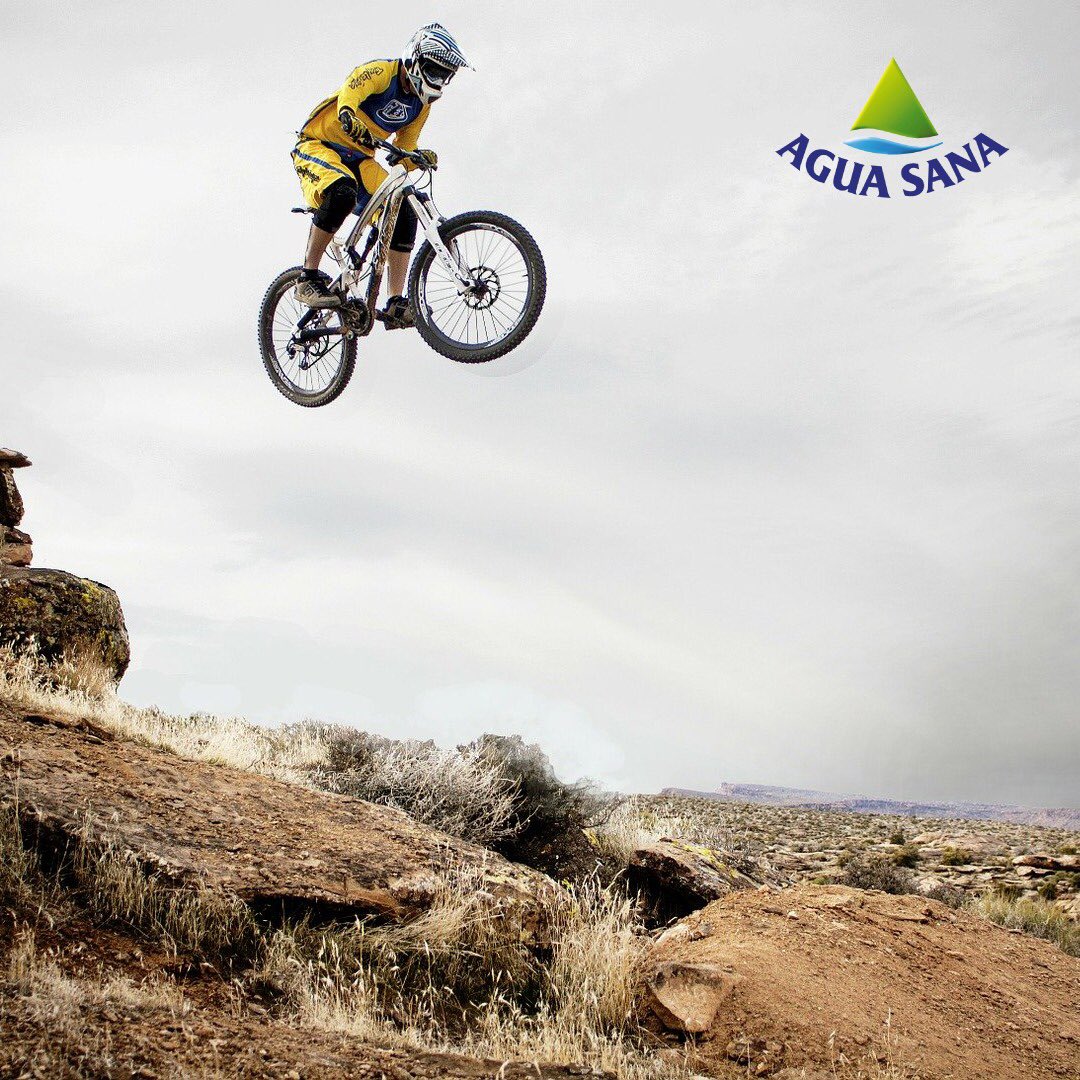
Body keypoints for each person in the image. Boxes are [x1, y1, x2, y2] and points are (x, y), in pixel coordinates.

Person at [291, 23, 470, 325]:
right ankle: (307, 277)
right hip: (320, 145)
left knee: (404, 207)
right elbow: (352, 88)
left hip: (361, 159)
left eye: (443, 75)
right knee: (342, 190)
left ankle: (396, 301)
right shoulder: (382, 73)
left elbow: (403, 150)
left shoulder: (420, 106)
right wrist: (347, 115)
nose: (438, 80)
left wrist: (417, 158)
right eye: (434, 71)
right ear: (415, 60)